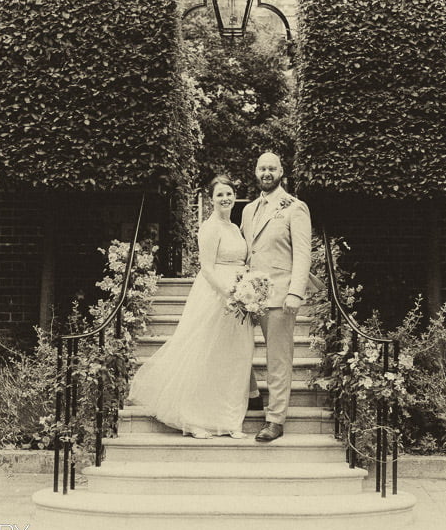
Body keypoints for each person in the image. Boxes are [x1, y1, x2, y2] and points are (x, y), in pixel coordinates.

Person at [128, 175, 254, 439]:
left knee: (234, 357)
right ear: (211, 199)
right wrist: (229, 294)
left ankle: (230, 420)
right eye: (220, 195)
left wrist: (248, 291)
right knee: (205, 355)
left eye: (229, 193)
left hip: (240, 300)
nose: (226, 199)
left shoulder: (235, 227)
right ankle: (195, 419)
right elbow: (207, 269)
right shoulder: (210, 227)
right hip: (216, 297)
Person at [241, 152, 312, 442]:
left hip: (281, 294)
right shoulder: (248, 210)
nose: (266, 172)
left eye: (272, 168)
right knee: (235, 348)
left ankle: (275, 418)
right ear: (256, 172)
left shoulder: (295, 207)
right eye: (262, 168)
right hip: (248, 296)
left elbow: (303, 252)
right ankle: (253, 394)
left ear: (281, 171)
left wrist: (296, 291)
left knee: (278, 359)